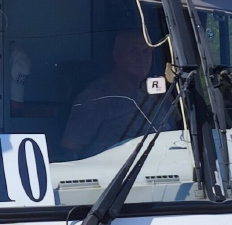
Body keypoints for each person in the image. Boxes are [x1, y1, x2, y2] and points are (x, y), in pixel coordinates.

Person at [61, 28, 165, 159]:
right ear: (117, 55)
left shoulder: (159, 93)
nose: (142, 58)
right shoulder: (96, 98)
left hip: (162, 167)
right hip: (113, 173)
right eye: (134, 51)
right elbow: (70, 149)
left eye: (146, 52)